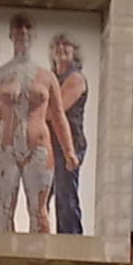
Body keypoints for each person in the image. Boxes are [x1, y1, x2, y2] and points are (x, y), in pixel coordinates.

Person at [0, 14, 76, 233]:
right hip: (5, 148)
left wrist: (69, 151)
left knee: (39, 211)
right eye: (18, 28)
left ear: (33, 35)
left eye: (28, 28)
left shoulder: (46, 76)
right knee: (4, 210)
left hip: (39, 148)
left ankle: (39, 255)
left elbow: (58, 116)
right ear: (11, 34)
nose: (23, 32)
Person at [49, 33, 90, 234]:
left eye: (66, 45)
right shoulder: (51, 77)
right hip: (49, 142)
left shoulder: (75, 78)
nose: (61, 48)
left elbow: (54, 111)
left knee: (66, 198)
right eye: (57, 45)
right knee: (43, 196)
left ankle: (72, 239)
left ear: (75, 51)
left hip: (69, 143)